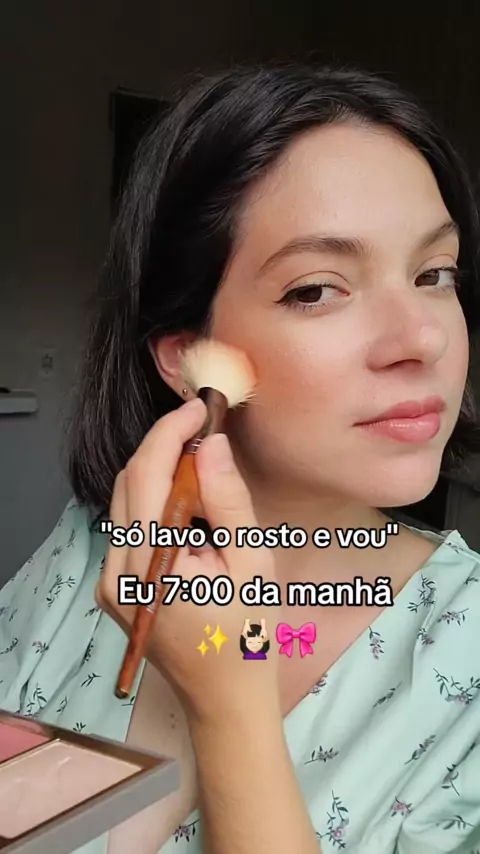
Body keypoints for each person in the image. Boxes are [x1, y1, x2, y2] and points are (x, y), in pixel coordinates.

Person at [1, 64, 480, 854]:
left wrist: (231, 708)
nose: (423, 338)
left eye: (436, 274)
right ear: (187, 355)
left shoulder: (461, 651)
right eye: (317, 289)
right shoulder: (86, 556)